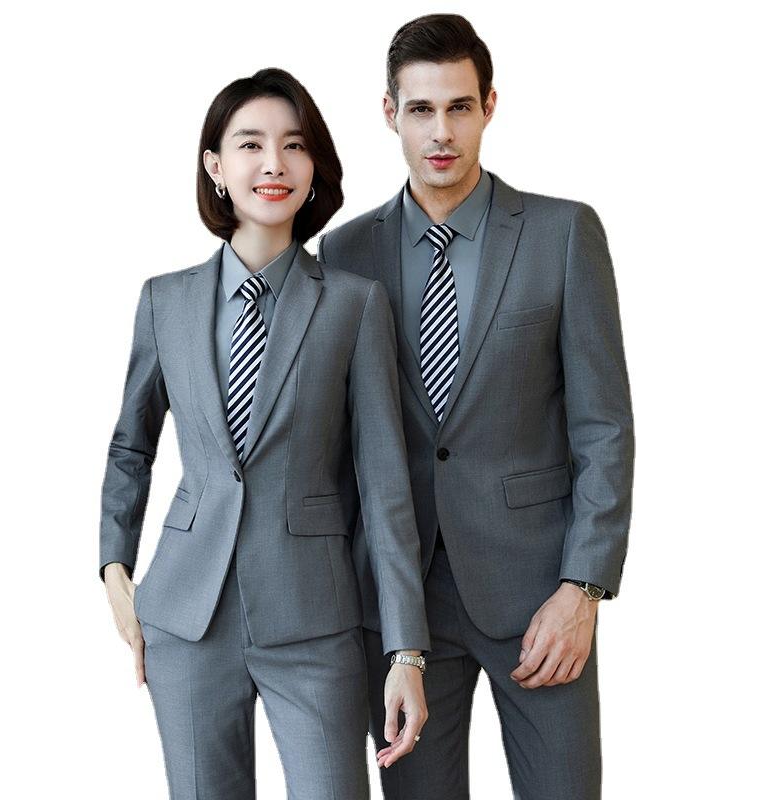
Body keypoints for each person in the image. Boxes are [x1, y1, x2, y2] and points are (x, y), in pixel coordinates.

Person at [317, 14, 635, 800]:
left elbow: (604, 427)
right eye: (421, 110)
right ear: (389, 113)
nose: (441, 132)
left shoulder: (563, 233)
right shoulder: (345, 253)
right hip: (403, 610)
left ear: (490, 105)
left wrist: (584, 589)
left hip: (539, 597)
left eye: (459, 107)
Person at [98, 67, 430, 800]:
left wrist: (407, 650)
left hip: (314, 619)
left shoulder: (354, 305)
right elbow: (131, 447)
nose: (273, 163)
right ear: (216, 167)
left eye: (294, 145)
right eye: (250, 144)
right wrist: (114, 567)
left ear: (314, 170)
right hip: (186, 616)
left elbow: (385, 486)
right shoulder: (164, 301)